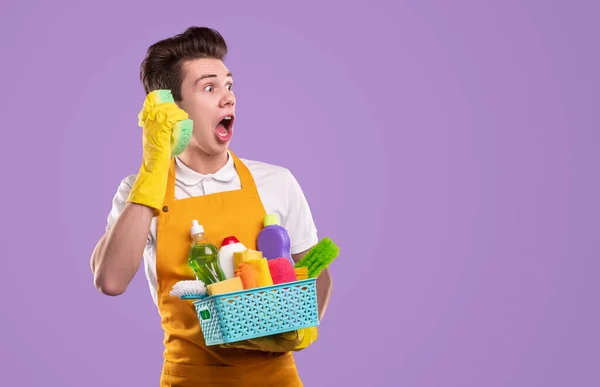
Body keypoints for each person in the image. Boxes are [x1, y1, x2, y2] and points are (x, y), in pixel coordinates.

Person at [89, 26, 332, 386]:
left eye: (229, 85)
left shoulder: (276, 182)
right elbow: (110, 280)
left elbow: (315, 270)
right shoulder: (139, 191)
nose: (228, 98)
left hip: (276, 377)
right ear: (172, 109)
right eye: (209, 87)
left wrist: (304, 328)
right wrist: (153, 171)